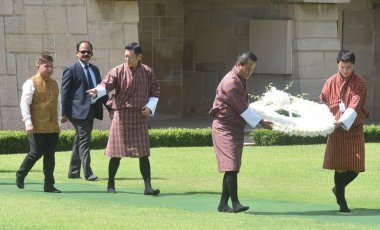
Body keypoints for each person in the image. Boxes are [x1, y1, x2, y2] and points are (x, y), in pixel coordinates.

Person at [87, 42, 160, 195]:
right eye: (126, 56)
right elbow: (106, 85)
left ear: (139, 57)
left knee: (144, 153)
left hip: (140, 115)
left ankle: (148, 187)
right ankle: (111, 184)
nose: (127, 59)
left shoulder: (147, 72)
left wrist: (149, 107)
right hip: (121, 115)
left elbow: (155, 91)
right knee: (116, 153)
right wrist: (96, 91)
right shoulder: (118, 70)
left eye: (131, 57)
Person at [209, 52, 272, 213]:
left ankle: (223, 204)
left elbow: (244, 106)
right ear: (238, 65)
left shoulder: (239, 78)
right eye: (248, 68)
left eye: (252, 69)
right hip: (224, 127)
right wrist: (261, 122)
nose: (250, 72)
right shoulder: (231, 82)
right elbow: (242, 108)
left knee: (232, 166)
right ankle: (235, 203)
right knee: (231, 165)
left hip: (234, 126)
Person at [320, 50, 369, 213]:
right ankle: (342, 201)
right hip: (335, 129)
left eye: (348, 67)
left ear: (353, 65)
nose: (345, 70)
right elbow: (323, 103)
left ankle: (337, 188)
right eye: (342, 67)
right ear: (337, 65)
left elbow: (355, 105)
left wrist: (341, 121)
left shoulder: (360, 82)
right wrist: (327, 120)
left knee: (357, 166)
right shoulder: (330, 82)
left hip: (353, 128)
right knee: (339, 166)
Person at [61, 41, 109, 181]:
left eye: (88, 51)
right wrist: (63, 113)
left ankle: (73, 171)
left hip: (92, 110)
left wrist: (110, 109)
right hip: (76, 112)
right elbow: (65, 92)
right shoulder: (70, 69)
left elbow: (101, 91)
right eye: (83, 51)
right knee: (85, 140)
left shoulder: (95, 69)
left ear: (92, 54)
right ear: (77, 54)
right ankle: (88, 173)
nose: (86, 54)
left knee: (80, 139)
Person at [16, 54, 62, 193]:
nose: (49, 69)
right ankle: (20, 174)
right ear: (38, 66)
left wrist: (58, 121)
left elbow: (58, 104)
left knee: (50, 156)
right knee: (35, 153)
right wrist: (28, 123)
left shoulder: (55, 83)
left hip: (53, 126)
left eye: (51, 66)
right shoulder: (30, 82)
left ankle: (49, 185)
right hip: (36, 126)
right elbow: (24, 104)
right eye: (46, 66)